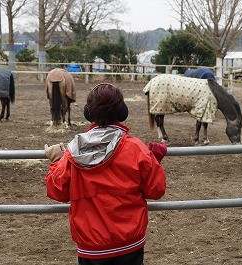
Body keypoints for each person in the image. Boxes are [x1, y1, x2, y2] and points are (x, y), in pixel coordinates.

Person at [44, 83, 167, 265]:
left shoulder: (72, 152)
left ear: (88, 113)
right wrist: (153, 158)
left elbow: (58, 192)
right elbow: (156, 190)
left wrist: (56, 162)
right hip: (129, 243)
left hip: (91, 247)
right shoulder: (136, 148)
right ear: (122, 112)